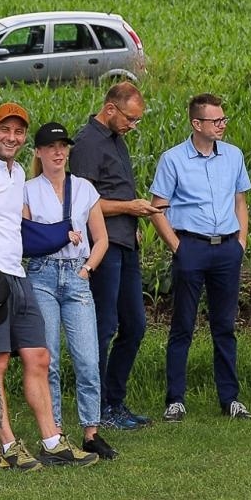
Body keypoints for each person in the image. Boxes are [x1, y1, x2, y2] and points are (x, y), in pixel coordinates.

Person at [0, 102, 99, 470]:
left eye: (18, 131)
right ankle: (10, 448)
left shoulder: (16, 175)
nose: (11, 137)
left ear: (24, 138)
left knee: (38, 356)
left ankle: (53, 443)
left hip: (17, 275)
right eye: (5, 130)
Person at [150, 93, 251, 422]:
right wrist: (178, 247)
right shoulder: (173, 159)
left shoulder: (233, 156)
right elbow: (157, 208)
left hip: (227, 249)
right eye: (215, 120)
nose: (222, 125)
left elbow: (240, 200)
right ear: (196, 124)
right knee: (183, 325)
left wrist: (241, 242)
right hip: (191, 247)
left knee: (225, 326)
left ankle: (230, 399)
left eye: (223, 119)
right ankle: (175, 400)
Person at [69, 82, 163, 431]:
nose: (132, 126)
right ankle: (97, 408)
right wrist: (129, 208)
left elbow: (113, 192)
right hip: (102, 248)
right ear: (110, 109)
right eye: (129, 118)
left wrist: (131, 221)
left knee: (135, 325)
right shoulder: (87, 144)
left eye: (137, 120)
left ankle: (115, 401)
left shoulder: (116, 139)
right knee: (104, 326)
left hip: (125, 243)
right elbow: (82, 204)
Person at [23, 121, 116, 459]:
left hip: (76, 275)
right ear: (38, 152)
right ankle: (56, 432)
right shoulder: (27, 190)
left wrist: (87, 268)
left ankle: (91, 431)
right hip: (42, 274)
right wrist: (57, 237)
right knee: (48, 358)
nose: (58, 152)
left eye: (63, 146)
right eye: (51, 147)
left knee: (88, 357)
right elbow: (25, 237)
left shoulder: (85, 188)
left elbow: (101, 238)